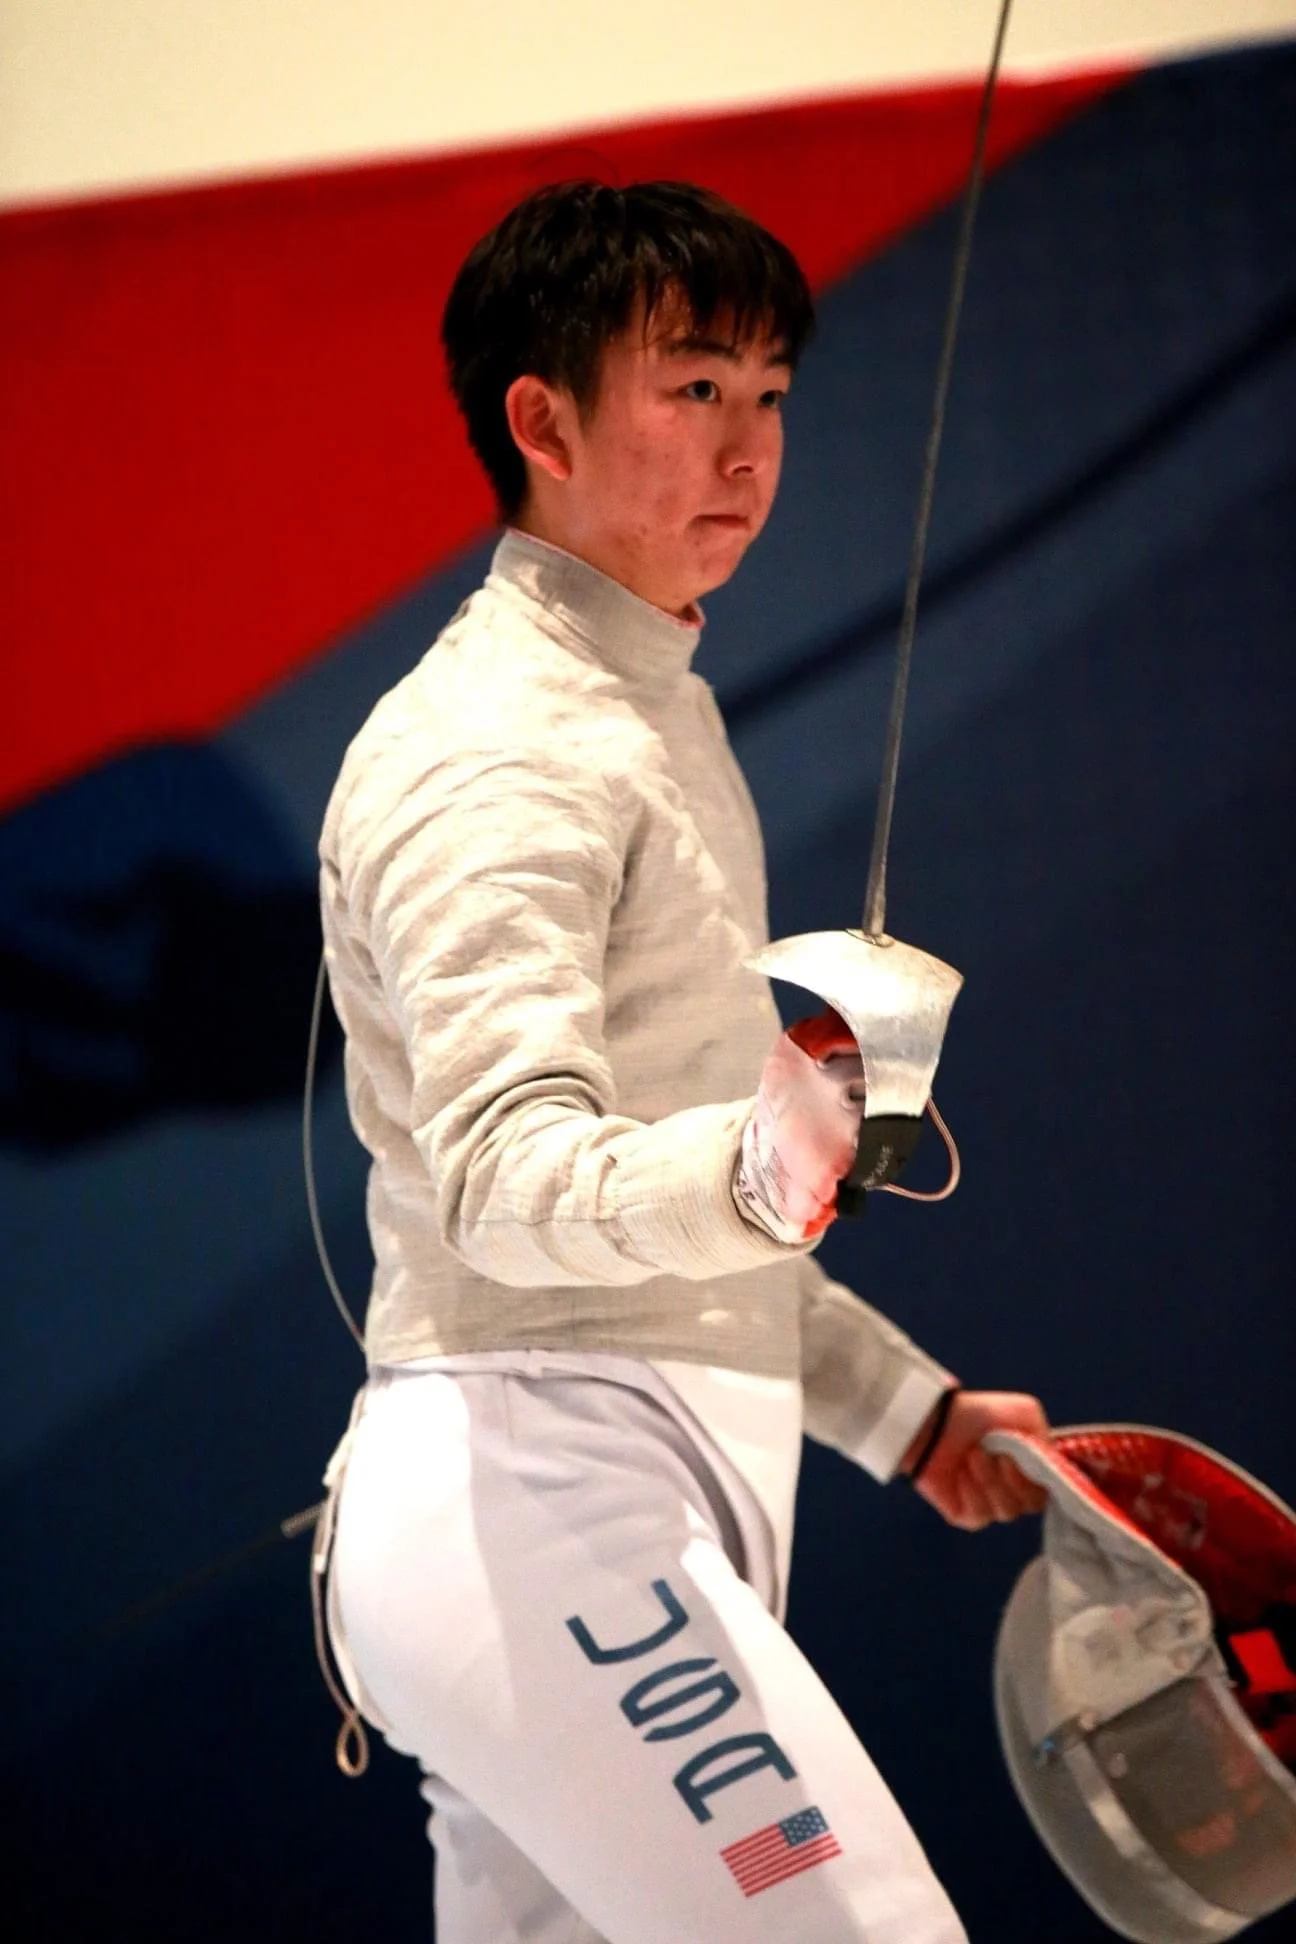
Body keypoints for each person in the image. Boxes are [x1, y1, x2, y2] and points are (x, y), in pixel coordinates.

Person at [317, 178, 1049, 1944]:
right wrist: (757, 1158)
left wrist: (905, 1411)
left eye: (772, 394)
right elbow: (507, 1182)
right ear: (545, 421)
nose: (748, 444)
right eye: (694, 386)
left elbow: (663, 1210)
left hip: (590, 1505)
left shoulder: (645, 703)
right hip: (540, 1501)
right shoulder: (500, 746)